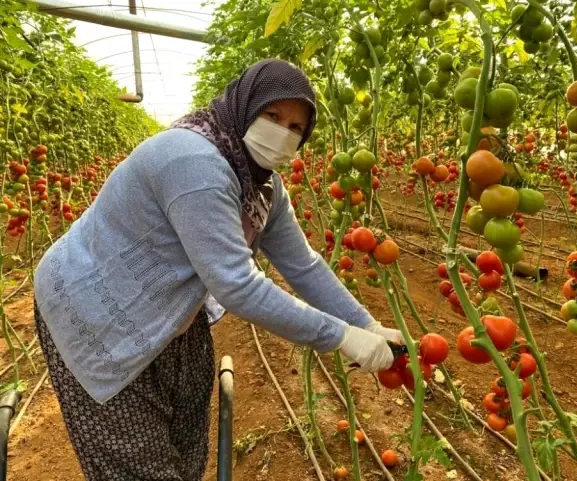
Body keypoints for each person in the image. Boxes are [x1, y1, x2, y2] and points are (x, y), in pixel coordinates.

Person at [33, 58, 403, 481]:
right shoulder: (194, 162)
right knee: (135, 461)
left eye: (297, 128)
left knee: (187, 438)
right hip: (93, 308)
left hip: (171, 307)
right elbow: (236, 284)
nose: (283, 133)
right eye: (273, 115)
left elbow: (304, 266)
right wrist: (340, 337)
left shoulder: (264, 186)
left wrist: (366, 324)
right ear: (245, 105)